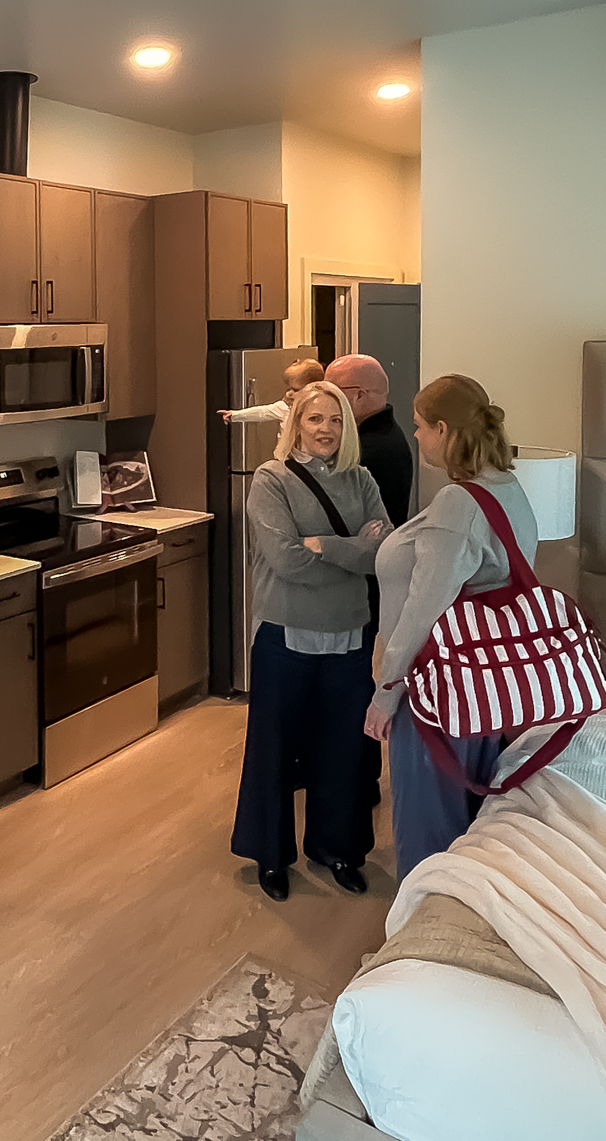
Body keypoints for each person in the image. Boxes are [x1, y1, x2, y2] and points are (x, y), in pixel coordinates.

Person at [364, 374, 539, 878]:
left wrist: (385, 693)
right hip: (479, 682)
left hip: (436, 690)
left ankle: (417, 941)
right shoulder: (505, 486)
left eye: (420, 426)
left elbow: (424, 609)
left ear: (443, 429)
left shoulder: (458, 504)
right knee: (465, 821)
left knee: (428, 829)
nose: (414, 435)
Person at [230, 380, 389, 900]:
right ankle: (272, 857)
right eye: (315, 419)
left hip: (349, 635)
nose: (326, 430)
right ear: (296, 422)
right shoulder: (270, 480)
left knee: (344, 749)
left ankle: (337, 848)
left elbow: (381, 556)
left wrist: (323, 545)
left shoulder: (361, 479)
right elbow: (287, 561)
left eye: (336, 420)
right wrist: (349, 551)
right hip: (285, 634)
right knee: (274, 750)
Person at [325, 353, 415, 528]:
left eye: (331, 391)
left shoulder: (374, 449)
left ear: (359, 395)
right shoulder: (378, 435)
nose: (324, 399)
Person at [221, 355, 323, 427]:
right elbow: (264, 412)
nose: (290, 393)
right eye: (289, 388)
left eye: (296, 389)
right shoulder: (288, 406)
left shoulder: (323, 409)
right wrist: (235, 415)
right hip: (285, 456)